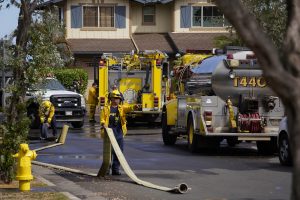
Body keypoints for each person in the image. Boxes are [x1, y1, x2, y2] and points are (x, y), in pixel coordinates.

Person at [100, 90, 136, 175]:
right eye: (114, 98)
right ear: (111, 99)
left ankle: (115, 170)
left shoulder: (122, 108)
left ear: (120, 100)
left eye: (117, 98)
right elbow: (102, 119)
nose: (116, 100)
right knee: (108, 153)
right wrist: (103, 124)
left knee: (118, 153)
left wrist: (134, 107)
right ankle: (107, 170)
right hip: (109, 134)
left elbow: (129, 108)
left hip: (119, 133)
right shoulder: (106, 108)